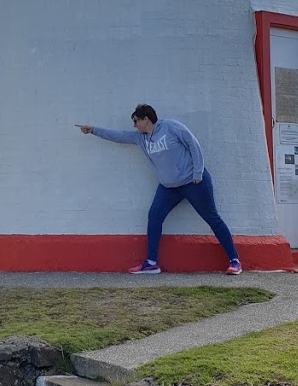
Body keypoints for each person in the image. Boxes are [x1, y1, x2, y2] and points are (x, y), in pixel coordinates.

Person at [77, 105, 242, 274]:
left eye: (136, 121)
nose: (134, 125)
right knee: (154, 216)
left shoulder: (170, 127)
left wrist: (198, 172)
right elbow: (120, 136)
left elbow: (193, 144)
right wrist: (93, 130)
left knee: (212, 218)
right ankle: (151, 263)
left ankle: (234, 261)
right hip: (169, 187)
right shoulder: (141, 138)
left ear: (145, 119)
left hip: (193, 182)